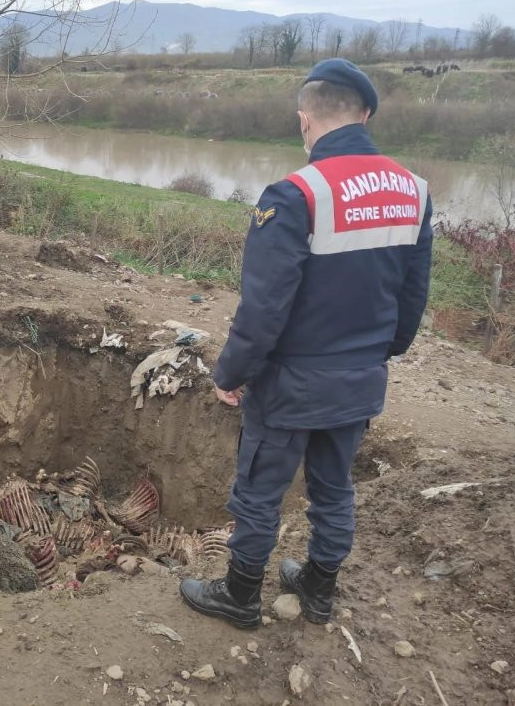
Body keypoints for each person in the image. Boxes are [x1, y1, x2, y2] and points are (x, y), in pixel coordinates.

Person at [179, 59, 433, 628]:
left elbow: (265, 306)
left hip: (292, 383)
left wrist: (231, 373)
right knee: (334, 487)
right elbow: (412, 296)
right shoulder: (414, 192)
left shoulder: (296, 194)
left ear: (304, 121)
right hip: (360, 377)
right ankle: (318, 589)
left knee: (260, 490)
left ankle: (240, 595)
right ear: (364, 114)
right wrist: (377, 355)